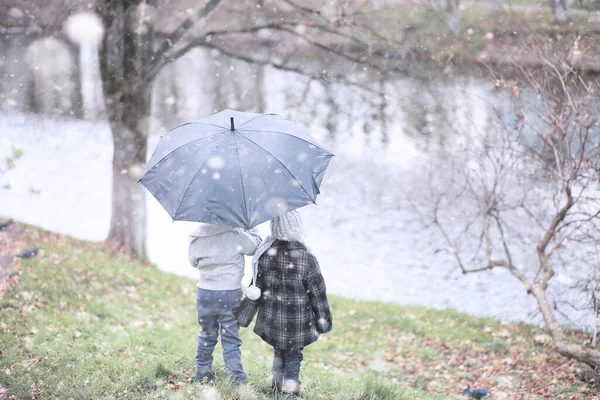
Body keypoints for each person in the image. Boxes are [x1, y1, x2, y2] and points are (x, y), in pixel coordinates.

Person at [235, 211, 332, 397]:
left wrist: (242, 316)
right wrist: (324, 321)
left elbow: (255, 289)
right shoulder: (306, 258)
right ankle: (288, 393)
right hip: (297, 322)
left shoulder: (265, 255)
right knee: (294, 355)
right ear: (297, 228)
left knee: (279, 352)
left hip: (274, 321)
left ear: (275, 229)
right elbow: (318, 292)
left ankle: (277, 387)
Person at [188, 223, 262, 384]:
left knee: (207, 334)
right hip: (230, 293)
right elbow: (256, 247)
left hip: (205, 292)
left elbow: (193, 261)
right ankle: (235, 377)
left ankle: (203, 373)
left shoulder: (197, 234)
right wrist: (249, 227)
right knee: (230, 337)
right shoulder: (236, 233)